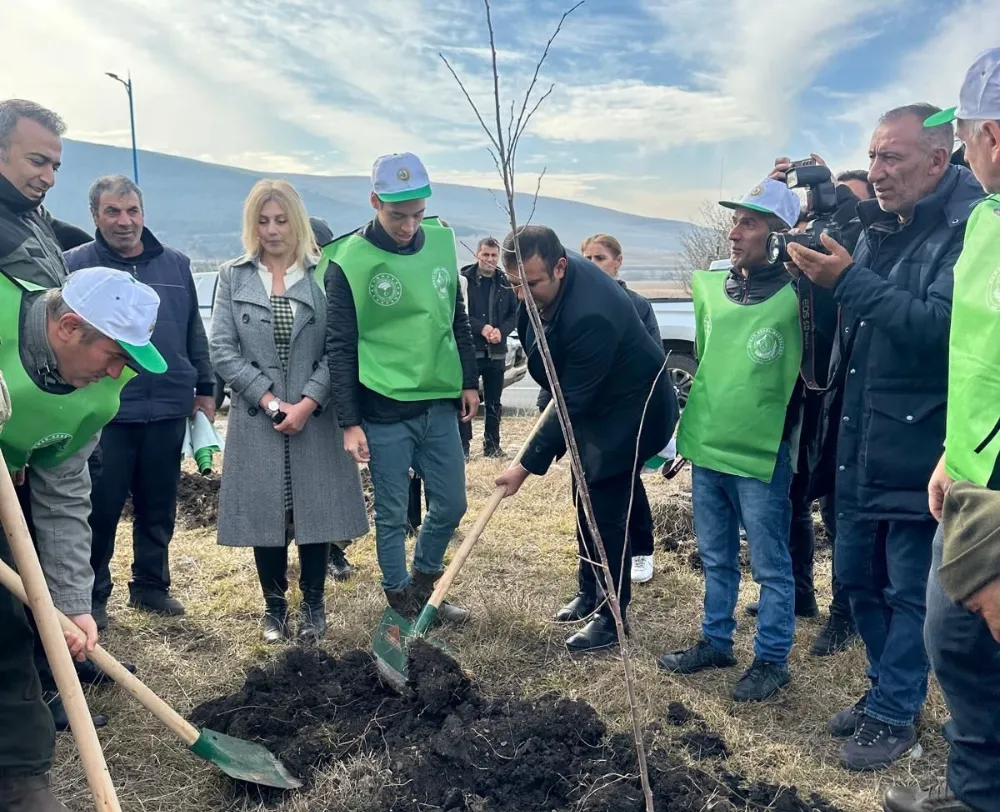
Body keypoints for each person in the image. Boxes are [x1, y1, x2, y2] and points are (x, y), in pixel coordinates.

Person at [787, 103, 984, 771]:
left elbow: (938, 329)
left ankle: (898, 713)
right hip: (857, 436)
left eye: (891, 158)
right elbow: (855, 321)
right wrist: (819, 280)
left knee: (906, 587)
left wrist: (847, 280)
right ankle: (884, 692)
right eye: (872, 156)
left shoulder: (968, 231)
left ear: (938, 158)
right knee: (858, 578)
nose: (877, 171)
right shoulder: (878, 228)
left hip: (919, 441)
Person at [0, 266, 165, 812]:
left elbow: (64, 497)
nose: (120, 372)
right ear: (70, 327)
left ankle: (19, 778)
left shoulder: (97, 393)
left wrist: (72, 602)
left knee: (8, 630)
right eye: (115, 354)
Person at [658, 179, 829, 702]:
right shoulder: (709, 289)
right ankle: (716, 640)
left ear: (778, 235)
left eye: (748, 223)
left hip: (763, 454)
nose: (734, 232)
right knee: (714, 555)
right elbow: (708, 364)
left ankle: (772, 659)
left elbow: (815, 374)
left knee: (771, 566)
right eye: (735, 221)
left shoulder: (802, 295)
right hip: (708, 446)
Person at [884, 49, 1000, 812]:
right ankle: (977, 793)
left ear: (989, 134)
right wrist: (951, 452)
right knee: (955, 645)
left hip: (994, 497)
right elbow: (978, 355)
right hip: (966, 475)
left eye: (963, 140)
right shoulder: (989, 221)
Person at [495, 226, 677, 653]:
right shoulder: (543, 280)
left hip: (631, 411)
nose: (522, 294)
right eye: (515, 284)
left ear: (560, 266)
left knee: (606, 507)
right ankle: (589, 590)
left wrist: (523, 467)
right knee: (583, 495)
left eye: (532, 284)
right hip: (596, 402)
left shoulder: (592, 313)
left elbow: (569, 399)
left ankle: (612, 619)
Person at [0, 98, 118, 730]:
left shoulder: (34, 222)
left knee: (22, 594)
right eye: (36, 159)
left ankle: (40, 696)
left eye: (55, 164)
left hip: (25, 445)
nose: (48, 174)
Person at [210, 180, 367, 643]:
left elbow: (340, 347)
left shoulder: (325, 275)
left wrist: (308, 402)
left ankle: (314, 607)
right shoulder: (233, 276)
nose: (272, 230)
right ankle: (274, 609)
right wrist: (271, 400)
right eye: (262, 221)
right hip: (260, 417)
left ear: (296, 222)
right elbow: (222, 349)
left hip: (314, 416)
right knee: (267, 515)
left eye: (280, 220)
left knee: (315, 511)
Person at [323, 153, 478, 623]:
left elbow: (456, 316)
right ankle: (400, 601)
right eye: (397, 215)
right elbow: (341, 345)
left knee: (452, 503)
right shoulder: (348, 262)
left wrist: (469, 380)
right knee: (392, 516)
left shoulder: (440, 245)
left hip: (438, 404)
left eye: (417, 213)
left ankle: (427, 584)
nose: (410, 225)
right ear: (375, 201)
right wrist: (349, 422)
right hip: (382, 408)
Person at [64, 175, 215, 625]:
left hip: (167, 405)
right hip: (106, 411)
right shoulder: (76, 266)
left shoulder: (176, 264)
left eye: (132, 211)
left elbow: (194, 332)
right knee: (100, 508)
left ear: (143, 214)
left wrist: (204, 390)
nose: (124, 221)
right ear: (95, 216)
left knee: (158, 505)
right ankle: (92, 596)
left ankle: (151, 585)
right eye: (112, 211)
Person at [539, 234, 662, 585]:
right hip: (586, 419)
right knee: (584, 495)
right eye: (587, 258)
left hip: (623, 418)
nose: (593, 264)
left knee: (625, 489)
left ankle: (640, 552)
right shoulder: (570, 306)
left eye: (600, 258)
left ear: (617, 261)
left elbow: (647, 363)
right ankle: (588, 578)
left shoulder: (635, 305)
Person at [459, 237, 516, 459]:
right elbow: (459, 311)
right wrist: (481, 328)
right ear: (477, 255)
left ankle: (492, 446)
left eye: (493, 255)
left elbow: (515, 313)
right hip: (471, 350)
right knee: (465, 399)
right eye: (485, 255)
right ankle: (464, 447)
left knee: (494, 402)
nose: (489, 259)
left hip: (496, 352)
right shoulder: (464, 280)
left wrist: (501, 331)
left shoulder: (505, 282)